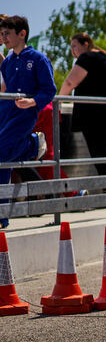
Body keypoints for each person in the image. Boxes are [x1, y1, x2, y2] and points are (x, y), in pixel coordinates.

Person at [0, 16, 55, 228]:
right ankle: (2, 216)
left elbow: (49, 90)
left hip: (24, 115)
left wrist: (32, 101)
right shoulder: (9, 62)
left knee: (3, 153)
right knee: (3, 157)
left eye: (7, 34)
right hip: (6, 112)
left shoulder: (39, 59)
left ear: (22, 34)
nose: (3, 38)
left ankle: (32, 144)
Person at [60, 33, 106, 180]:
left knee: (100, 153)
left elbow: (70, 82)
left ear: (86, 44)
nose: (72, 51)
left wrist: (57, 101)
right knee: (102, 153)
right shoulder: (105, 57)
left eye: (74, 46)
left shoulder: (87, 58)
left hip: (97, 117)